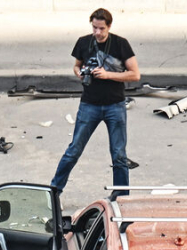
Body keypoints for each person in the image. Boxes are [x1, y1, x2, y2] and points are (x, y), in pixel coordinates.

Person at [50, 8, 140, 196]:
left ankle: (121, 197)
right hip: (89, 104)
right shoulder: (84, 42)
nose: (97, 33)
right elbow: (76, 65)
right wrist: (79, 73)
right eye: (94, 28)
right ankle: (54, 191)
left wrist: (108, 75)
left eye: (101, 29)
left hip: (115, 105)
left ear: (109, 27)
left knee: (119, 155)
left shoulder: (120, 44)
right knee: (73, 150)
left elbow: (135, 74)